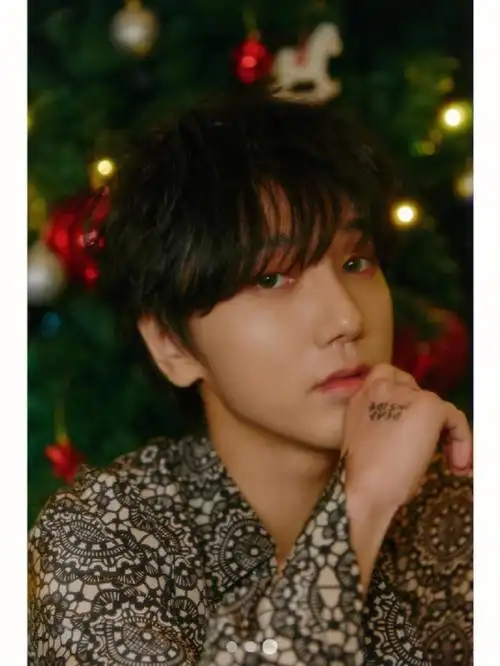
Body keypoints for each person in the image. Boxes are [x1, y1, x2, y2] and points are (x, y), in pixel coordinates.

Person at [28, 96, 472, 666]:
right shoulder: (103, 535)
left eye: (356, 263)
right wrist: (361, 508)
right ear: (171, 345)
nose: (346, 318)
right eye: (271, 278)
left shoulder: (459, 501)